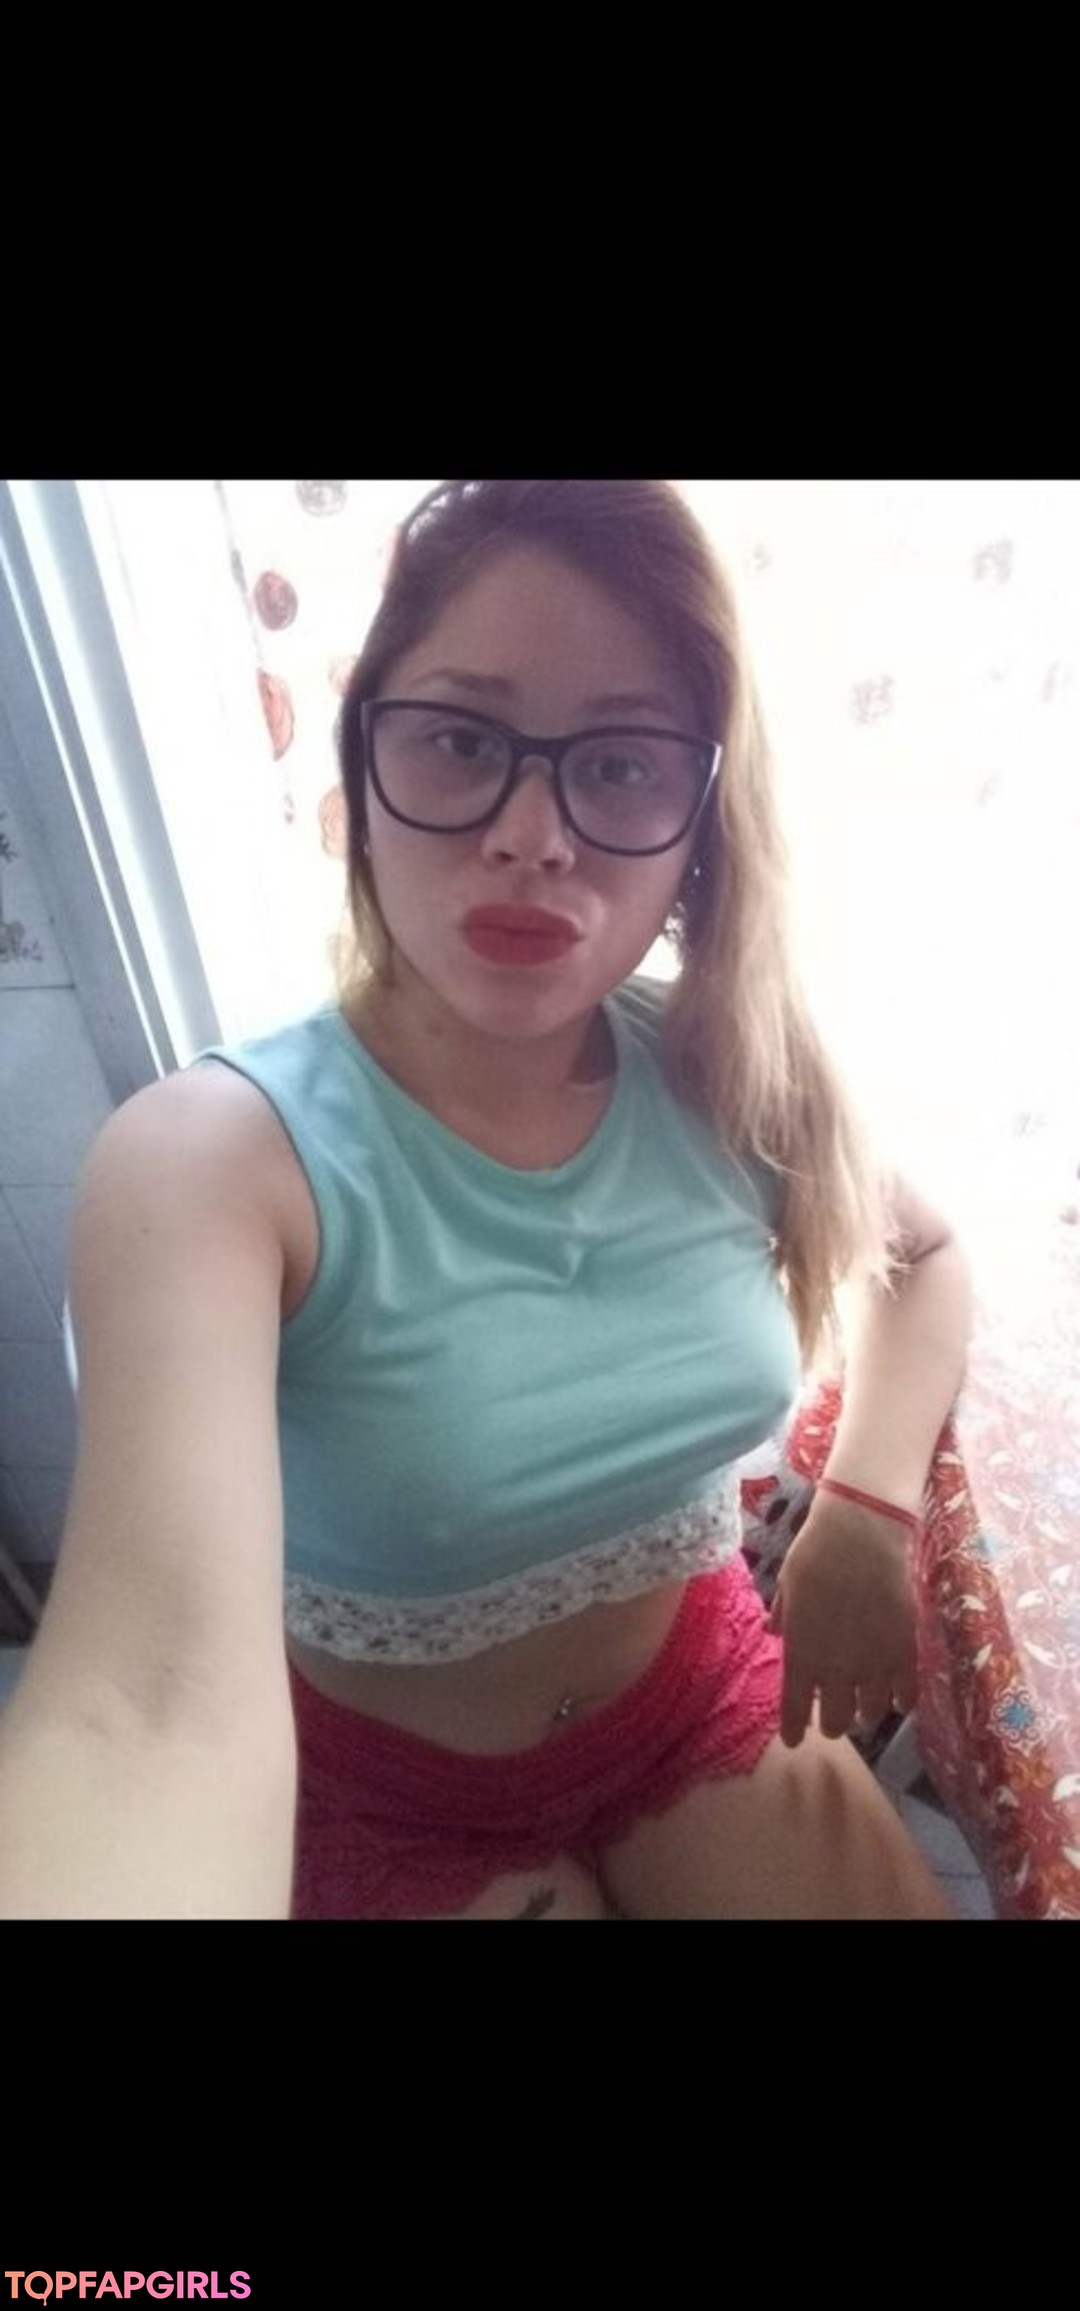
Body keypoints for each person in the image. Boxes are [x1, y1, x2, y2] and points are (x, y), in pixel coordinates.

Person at [0, 479, 972, 1919]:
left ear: (700, 828)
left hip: (691, 1701)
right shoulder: (210, 1164)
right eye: (463, 740)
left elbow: (926, 1254)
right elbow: (145, 1714)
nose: (533, 835)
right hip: (377, 1788)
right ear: (363, 764)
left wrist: (867, 1511)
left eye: (621, 765)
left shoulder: (726, 1071)